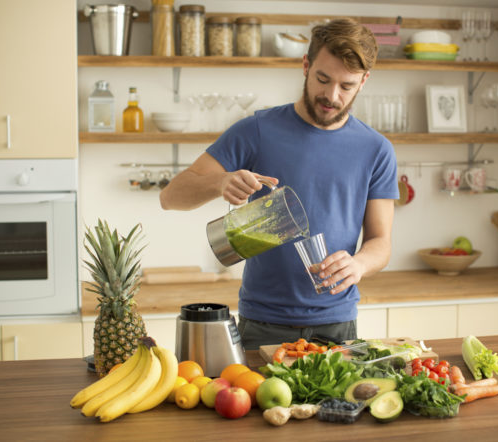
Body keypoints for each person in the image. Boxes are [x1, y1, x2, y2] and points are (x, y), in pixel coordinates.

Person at [160, 18, 399, 349]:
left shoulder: (376, 149)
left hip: (337, 323)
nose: (331, 95)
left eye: (346, 86)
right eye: (323, 79)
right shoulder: (256, 130)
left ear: (363, 82)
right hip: (262, 324)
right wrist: (220, 182)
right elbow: (171, 197)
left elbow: (381, 243)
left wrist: (358, 264)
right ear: (305, 65)